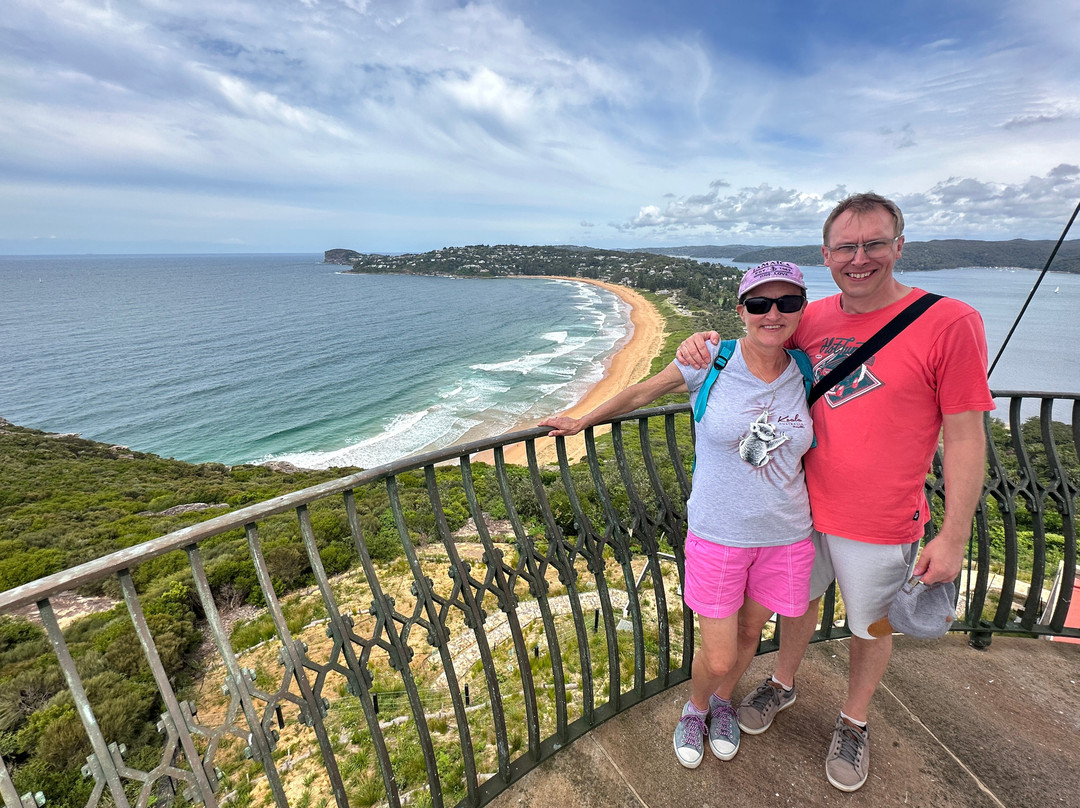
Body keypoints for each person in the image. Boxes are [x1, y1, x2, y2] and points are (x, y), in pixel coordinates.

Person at [675, 192, 994, 792]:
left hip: (880, 516)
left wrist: (954, 535)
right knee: (801, 607)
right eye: (846, 246)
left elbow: (965, 432)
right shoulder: (810, 316)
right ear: (826, 255)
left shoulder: (950, 322)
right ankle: (782, 683)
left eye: (874, 243)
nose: (860, 257)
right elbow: (753, 347)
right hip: (796, 512)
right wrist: (699, 344)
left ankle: (854, 720)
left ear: (899, 247)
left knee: (870, 625)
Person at [540, 261, 817, 770]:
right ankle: (695, 708)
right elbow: (642, 391)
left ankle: (724, 704)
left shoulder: (806, 369)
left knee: (750, 637)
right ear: (741, 311)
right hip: (718, 532)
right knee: (717, 654)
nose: (772, 313)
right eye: (759, 304)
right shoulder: (710, 359)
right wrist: (582, 420)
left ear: (801, 309)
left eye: (786, 303)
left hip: (785, 532)